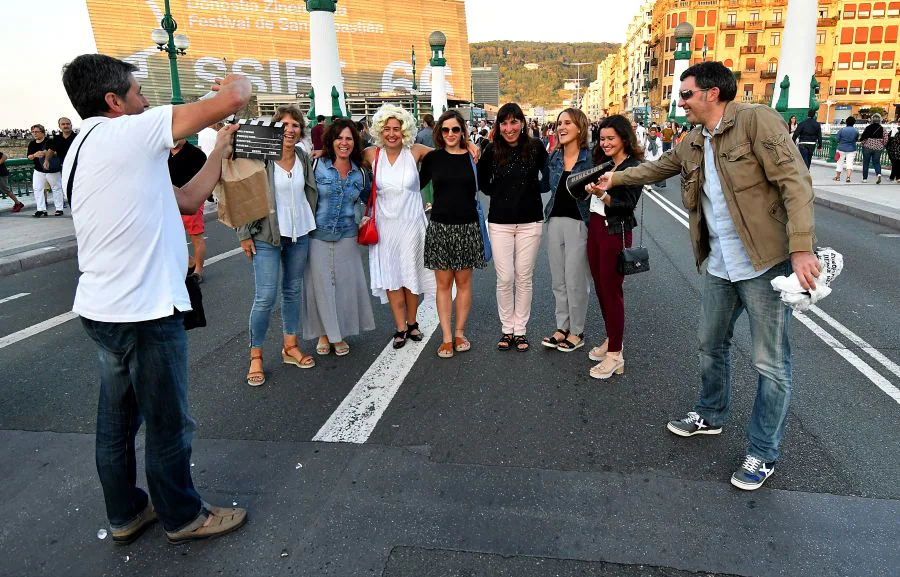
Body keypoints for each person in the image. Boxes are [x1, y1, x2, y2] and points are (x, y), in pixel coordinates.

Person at [593, 61, 819, 491]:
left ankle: (763, 452)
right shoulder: (694, 141)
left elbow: (795, 180)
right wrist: (613, 178)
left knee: (770, 363)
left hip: (764, 262)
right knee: (709, 344)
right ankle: (711, 414)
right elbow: (656, 168)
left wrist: (801, 246)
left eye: (687, 94)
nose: (681, 102)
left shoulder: (755, 122)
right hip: (719, 264)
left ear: (713, 93)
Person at [61, 53, 251, 543]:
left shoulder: (83, 148)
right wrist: (229, 79)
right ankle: (183, 516)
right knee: (168, 421)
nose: (146, 100)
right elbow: (235, 95)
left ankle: (126, 513)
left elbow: (187, 200)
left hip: (104, 308)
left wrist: (218, 150)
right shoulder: (130, 131)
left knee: (117, 421)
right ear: (113, 102)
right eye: (137, 91)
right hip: (144, 311)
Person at [238, 104, 318, 385]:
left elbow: (310, 191)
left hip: (301, 232)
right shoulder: (260, 158)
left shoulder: (302, 156)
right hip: (267, 235)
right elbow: (242, 195)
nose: (290, 129)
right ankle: (256, 355)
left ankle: (290, 345)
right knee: (265, 296)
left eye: (295, 125)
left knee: (292, 290)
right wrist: (244, 234)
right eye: (284, 125)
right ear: (274, 129)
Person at [362, 104, 436, 349]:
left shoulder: (414, 151)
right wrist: (319, 151)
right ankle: (400, 327)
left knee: (411, 274)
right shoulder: (372, 154)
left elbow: (446, 151)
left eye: (397, 129)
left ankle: (413, 323)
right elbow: (343, 153)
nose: (392, 133)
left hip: (412, 226)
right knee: (393, 277)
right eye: (387, 129)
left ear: (405, 130)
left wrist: (469, 144)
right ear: (379, 131)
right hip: (385, 228)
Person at [478, 102, 550, 352]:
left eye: (514, 122)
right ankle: (506, 329)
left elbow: (548, 178)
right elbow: (483, 183)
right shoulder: (491, 149)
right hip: (499, 221)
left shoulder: (536, 147)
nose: (509, 128)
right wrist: (503, 193)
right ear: (498, 125)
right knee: (505, 277)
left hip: (531, 221)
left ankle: (520, 331)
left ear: (522, 123)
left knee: (524, 277)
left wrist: (530, 190)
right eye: (504, 123)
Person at [304, 118, 375, 356]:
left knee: (344, 285)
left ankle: (339, 333)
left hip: (347, 234)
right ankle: (325, 335)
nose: (344, 143)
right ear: (330, 141)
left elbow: (371, 198)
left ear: (355, 143)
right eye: (339, 138)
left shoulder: (361, 172)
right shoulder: (315, 165)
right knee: (321, 286)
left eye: (349, 139)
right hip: (317, 234)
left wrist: (365, 217)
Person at [579, 115, 643, 379]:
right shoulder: (604, 163)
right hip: (595, 225)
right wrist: (589, 188)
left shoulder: (633, 167)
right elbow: (593, 195)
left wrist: (602, 194)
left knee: (612, 290)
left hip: (614, 231)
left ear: (624, 139)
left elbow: (627, 204)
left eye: (610, 139)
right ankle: (612, 338)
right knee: (601, 287)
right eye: (602, 138)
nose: (605, 143)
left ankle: (616, 354)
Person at [420, 109, 486, 358]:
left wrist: (470, 145)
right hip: (440, 227)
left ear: (462, 132)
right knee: (444, 284)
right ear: (439, 132)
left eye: (455, 129)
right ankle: (446, 337)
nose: (450, 134)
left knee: (464, 283)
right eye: (445, 129)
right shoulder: (432, 159)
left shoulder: (473, 157)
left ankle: (459, 332)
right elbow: (413, 182)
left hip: (468, 226)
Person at [541, 108, 593, 354]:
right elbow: (545, 185)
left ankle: (577, 331)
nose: (561, 127)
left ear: (580, 128)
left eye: (567, 123)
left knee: (575, 280)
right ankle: (562, 327)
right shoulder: (555, 157)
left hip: (579, 222)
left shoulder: (591, 158)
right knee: (558, 280)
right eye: (559, 123)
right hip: (554, 220)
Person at [168, 138, 208, 282]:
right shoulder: (162, 154)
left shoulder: (196, 154)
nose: (174, 139)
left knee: (196, 237)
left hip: (192, 202)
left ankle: (197, 271)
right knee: (168, 238)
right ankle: (190, 261)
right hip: (168, 202)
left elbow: (205, 179)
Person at [27, 124, 64, 217]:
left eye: (37, 132)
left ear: (43, 132)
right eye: (33, 132)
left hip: (51, 169)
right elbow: (29, 156)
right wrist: (35, 155)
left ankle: (59, 209)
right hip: (38, 169)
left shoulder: (50, 141)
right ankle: (41, 209)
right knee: (37, 188)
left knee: (56, 188)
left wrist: (45, 153)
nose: (34, 134)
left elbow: (57, 152)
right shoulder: (32, 143)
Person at [859, 113, 888, 184]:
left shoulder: (868, 127)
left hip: (867, 147)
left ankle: (865, 178)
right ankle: (878, 174)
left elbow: (863, 137)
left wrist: (863, 143)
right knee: (877, 162)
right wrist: (882, 145)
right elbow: (886, 138)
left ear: (872, 120)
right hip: (878, 148)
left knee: (866, 162)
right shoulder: (882, 129)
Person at [416, 114, 436, 212]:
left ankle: (428, 203)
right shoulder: (437, 133)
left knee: (426, 183)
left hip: (424, 161)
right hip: (437, 160)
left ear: (425, 122)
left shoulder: (420, 134)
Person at [833, 116, 859, 182]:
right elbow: (856, 139)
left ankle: (838, 177)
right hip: (852, 149)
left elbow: (837, 139)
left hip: (841, 148)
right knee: (849, 163)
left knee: (839, 162)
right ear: (854, 123)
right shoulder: (856, 131)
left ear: (846, 122)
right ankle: (848, 177)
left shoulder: (842, 130)